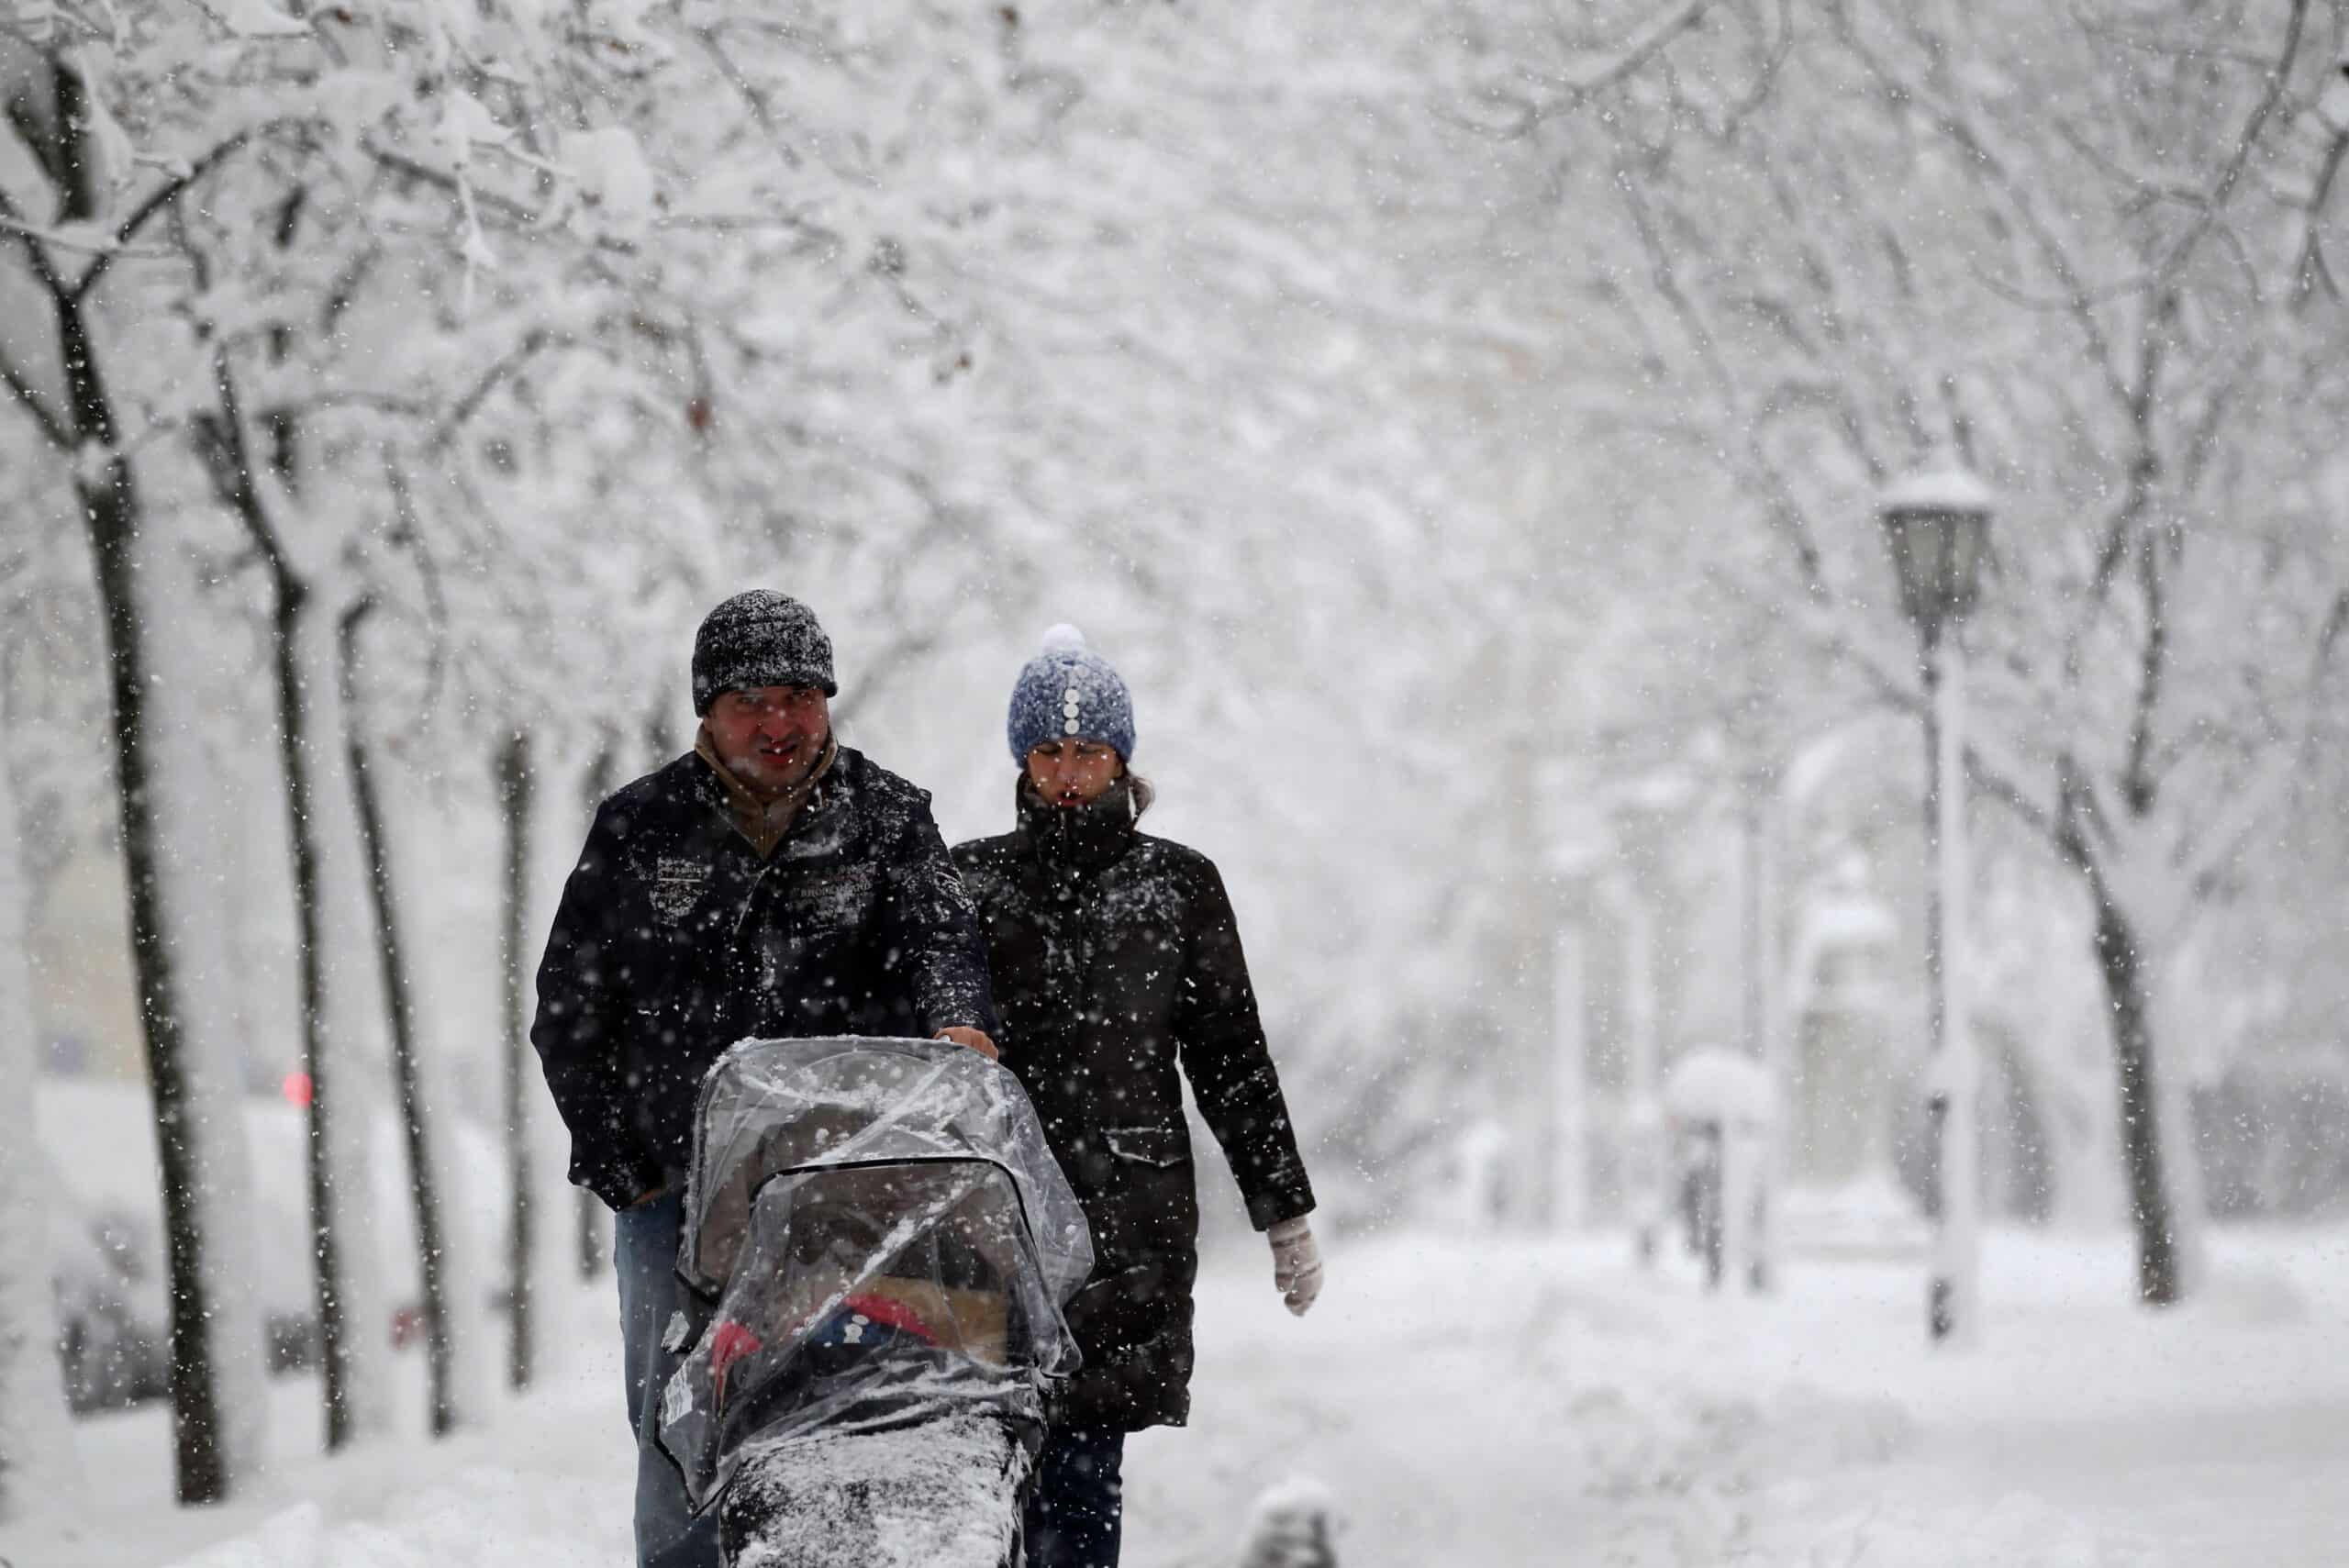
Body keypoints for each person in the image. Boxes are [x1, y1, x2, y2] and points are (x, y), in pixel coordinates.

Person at [530, 589, 1000, 1568]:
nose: (780, 722)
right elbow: (569, 1009)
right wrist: (627, 1167)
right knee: (679, 1432)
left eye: (800, 695)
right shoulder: (639, 826)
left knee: (845, 1421)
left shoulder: (888, 817)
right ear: (707, 709)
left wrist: (959, 1021)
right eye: (752, 699)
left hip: (850, 1193)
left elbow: (944, 942)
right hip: (678, 1195)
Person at [952, 625, 1323, 1568]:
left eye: (1089, 751)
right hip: (993, 1224)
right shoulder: (968, 883)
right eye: (1048, 751)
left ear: (1122, 756)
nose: (1068, 773)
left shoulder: (1178, 887)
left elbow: (1231, 1057)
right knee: (983, 1474)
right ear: (1021, 759)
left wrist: (1283, 1209)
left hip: (1127, 1220)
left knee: (1080, 1469)